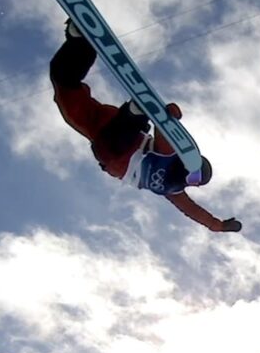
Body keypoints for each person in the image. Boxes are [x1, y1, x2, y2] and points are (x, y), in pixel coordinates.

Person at [48, 20, 241, 234]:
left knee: (106, 125)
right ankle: (80, 42)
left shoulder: (173, 179)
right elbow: (193, 211)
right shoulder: (173, 182)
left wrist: (167, 116)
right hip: (108, 133)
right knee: (63, 82)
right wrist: (219, 226)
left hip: (116, 144)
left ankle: (134, 114)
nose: (188, 179)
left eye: (192, 179)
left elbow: (192, 209)